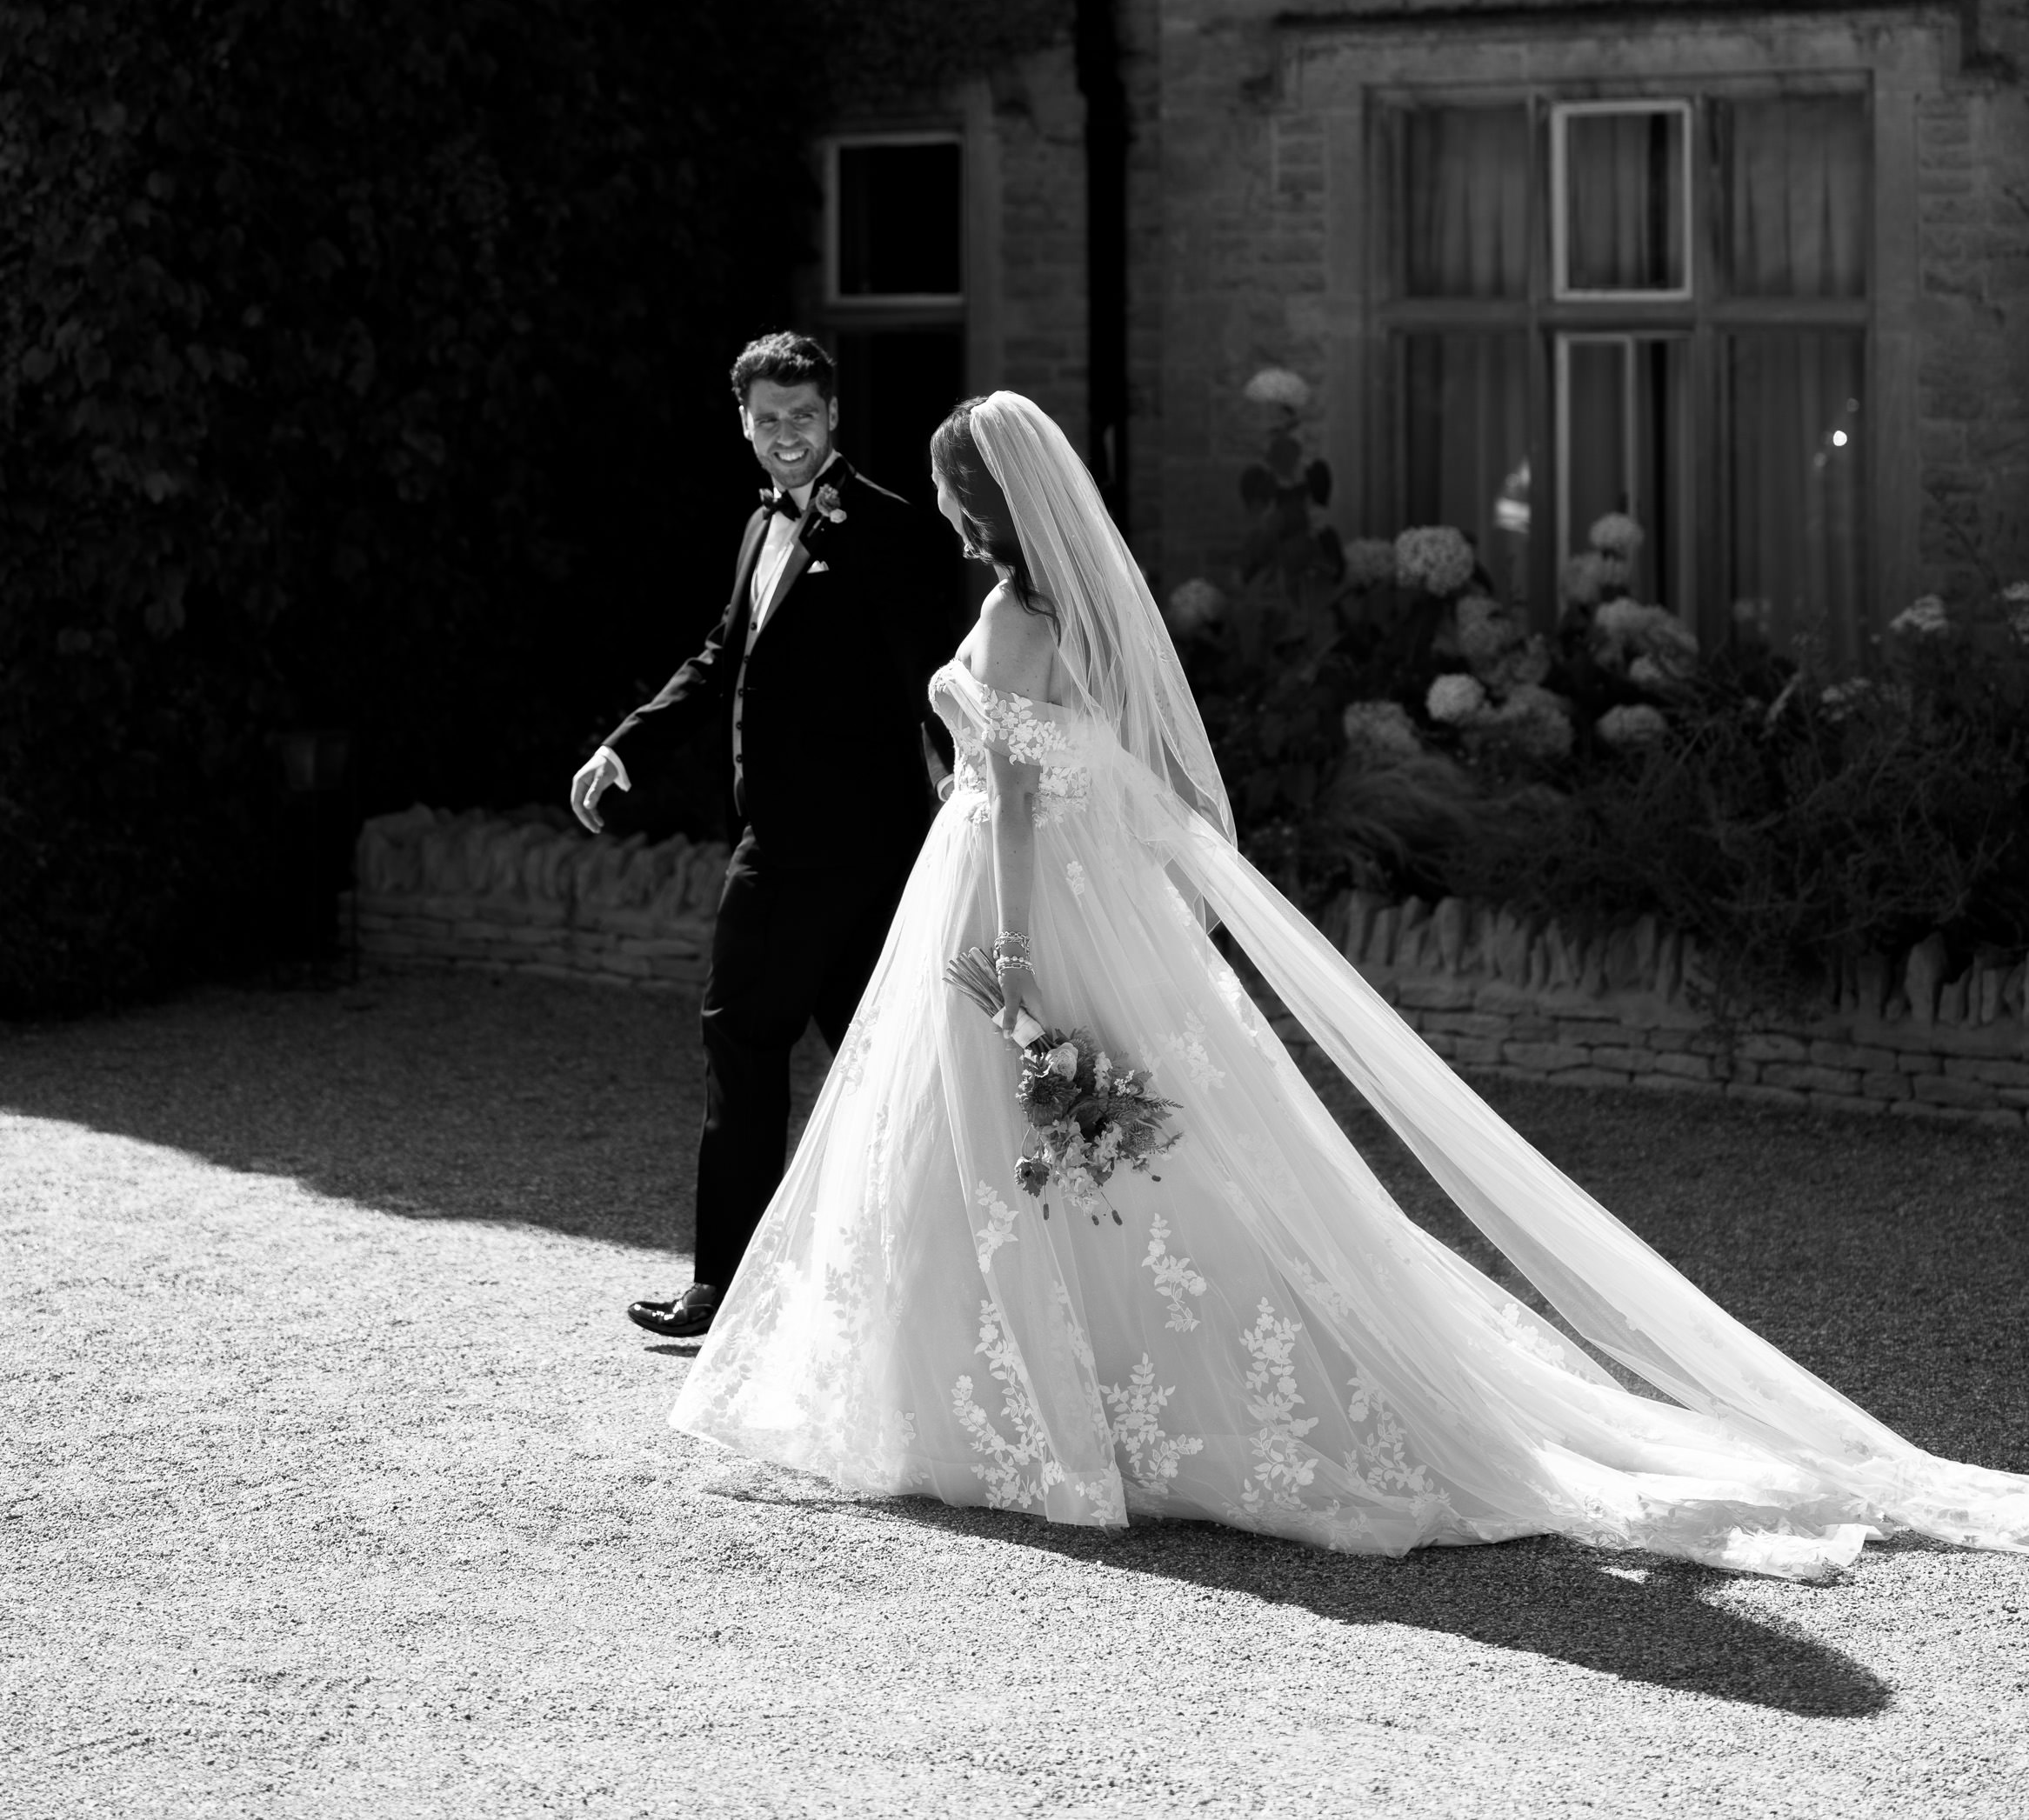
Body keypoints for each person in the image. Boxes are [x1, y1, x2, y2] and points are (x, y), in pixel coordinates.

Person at [670, 389, 2029, 1577]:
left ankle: (1041, 1401)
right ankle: (1060, 1379)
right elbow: (1087, 776)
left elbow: (1022, 799)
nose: (954, 511)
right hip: (1044, 892)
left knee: (1037, 1135)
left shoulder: (1018, 617)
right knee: (1110, 1153)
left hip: (1009, 901)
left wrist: (1014, 971)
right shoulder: (1060, 609)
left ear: (988, 500)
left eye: (960, 489)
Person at [571, 331, 957, 1339]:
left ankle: (727, 1288)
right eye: (767, 419)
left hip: (834, 850)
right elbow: (720, 654)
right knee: (880, 1061)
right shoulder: (757, 527)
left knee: (744, 1042)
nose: (786, 436)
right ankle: (920, 1278)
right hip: (794, 844)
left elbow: (934, 682)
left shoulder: (890, 530)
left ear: (833, 418)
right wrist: (626, 747)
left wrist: (958, 793)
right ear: (743, 422)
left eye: (803, 416)